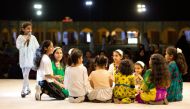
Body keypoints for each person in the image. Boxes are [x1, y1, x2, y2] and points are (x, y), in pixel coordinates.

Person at [16, 22, 39, 98]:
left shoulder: (33, 37)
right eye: (28, 28)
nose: (30, 30)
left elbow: (37, 47)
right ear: (23, 29)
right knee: (25, 75)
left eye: (30, 28)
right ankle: (28, 89)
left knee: (26, 74)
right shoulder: (20, 37)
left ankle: (23, 90)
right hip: (22, 58)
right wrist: (26, 40)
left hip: (30, 58)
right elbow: (18, 46)